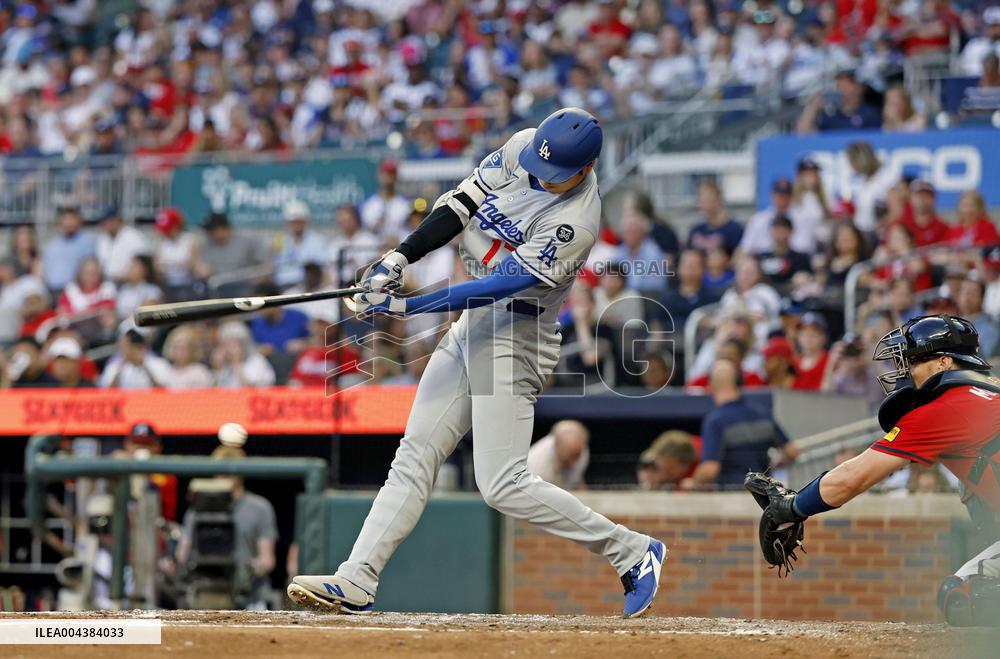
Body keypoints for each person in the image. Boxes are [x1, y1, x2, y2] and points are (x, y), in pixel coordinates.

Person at [288, 108, 665, 619]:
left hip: (516, 335)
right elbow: (460, 205)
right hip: (474, 326)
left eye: (553, 174)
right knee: (414, 454)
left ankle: (633, 551)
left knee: (502, 482)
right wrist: (399, 258)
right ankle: (358, 577)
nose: (540, 177)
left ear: (586, 168)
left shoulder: (575, 223)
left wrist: (405, 307)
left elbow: (497, 285)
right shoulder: (525, 147)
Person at [746, 315, 1000, 627]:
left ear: (944, 362)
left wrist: (792, 507)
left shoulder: (945, 407)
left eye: (912, 362)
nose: (906, 371)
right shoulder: (989, 392)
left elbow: (853, 478)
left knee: (962, 596)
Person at [177, 445, 278, 611]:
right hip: (205, 593)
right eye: (219, 472)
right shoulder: (197, 510)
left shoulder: (260, 508)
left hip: (248, 596)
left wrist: (248, 570)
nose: (222, 477)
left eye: (228, 472)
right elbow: (182, 556)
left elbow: (267, 560)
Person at [692, 359, 798, 489]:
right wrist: (773, 467)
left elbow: (710, 468)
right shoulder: (762, 414)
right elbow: (792, 451)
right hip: (763, 493)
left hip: (732, 494)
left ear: (711, 385)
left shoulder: (716, 421)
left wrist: (692, 484)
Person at [199, 213, 267, 297]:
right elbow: (203, 268)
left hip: (247, 288)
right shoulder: (208, 245)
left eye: (212, 231)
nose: (209, 234)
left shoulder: (247, 240)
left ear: (225, 229)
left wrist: (261, 276)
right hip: (219, 289)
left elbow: (266, 263)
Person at [796, 70, 881, 133]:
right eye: (838, 84)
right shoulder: (830, 115)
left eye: (845, 85)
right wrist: (812, 107)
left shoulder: (870, 114)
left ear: (858, 88)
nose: (840, 88)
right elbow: (804, 134)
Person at [41, 204, 98, 293]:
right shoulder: (52, 245)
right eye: (65, 219)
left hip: (77, 291)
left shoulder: (89, 241)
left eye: (71, 219)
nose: (68, 223)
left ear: (78, 220)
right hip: (52, 290)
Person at [273, 200, 328, 289]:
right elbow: (276, 265)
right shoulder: (282, 239)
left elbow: (318, 270)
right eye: (292, 222)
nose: (295, 225)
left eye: (298, 222)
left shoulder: (317, 241)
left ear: (305, 222)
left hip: (304, 285)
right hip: (280, 284)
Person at [248, 282, 310, 356]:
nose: (259, 309)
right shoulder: (257, 324)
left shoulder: (299, 317)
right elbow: (255, 348)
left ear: (275, 301)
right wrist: (260, 350)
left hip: (301, 359)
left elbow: (317, 340)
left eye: (262, 305)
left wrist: (304, 344)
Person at [154, 207, 203, 301]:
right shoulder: (162, 243)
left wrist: (170, 264)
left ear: (176, 226)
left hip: (188, 285)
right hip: (168, 285)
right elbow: (158, 268)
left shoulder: (190, 240)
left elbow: (194, 265)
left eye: (169, 229)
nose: (166, 233)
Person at [99, 326, 171, 389]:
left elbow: (163, 391)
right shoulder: (114, 366)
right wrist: (121, 367)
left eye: (132, 345)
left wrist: (144, 366)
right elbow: (108, 393)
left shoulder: (159, 364)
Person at [526, 420, 591, 490]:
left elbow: (576, 480)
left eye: (576, 456)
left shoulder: (580, 449)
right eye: (567, 459)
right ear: (556, 446)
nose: (573, 463)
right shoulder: (535, 466)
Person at [211, 321, 276, 388]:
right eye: (224, 345)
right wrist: (217, 368)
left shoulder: (256, 360)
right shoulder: (226, 365)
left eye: (230, 344)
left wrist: (236, 364)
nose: (227, 349)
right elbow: (215, 389)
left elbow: (250, 388)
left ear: (242, 344)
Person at [612, 214, 667, 294]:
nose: (630, 236)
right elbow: (613, 278)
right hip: (623, 295)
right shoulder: (620, 251)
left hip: (647, 296)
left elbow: (655, 285)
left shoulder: (653, 253)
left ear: (643, 233)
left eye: (634, 232)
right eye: (627, 232)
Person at [359, 160, 412, 242]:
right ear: (379, 175)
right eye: (386, 173)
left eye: (392, 174)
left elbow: (411, 229)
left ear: (396, 176)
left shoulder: (406, 203)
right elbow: (363, 231)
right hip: (374, 246)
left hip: (399, 244)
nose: (389, 178)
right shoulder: (368, 203)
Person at [95, 206, 150, 284]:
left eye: (108, 221)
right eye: (103, 222)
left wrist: (124, 277)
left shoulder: (134, 237)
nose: (105, 225)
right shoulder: (102, 239)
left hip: (130, 285)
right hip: (107, 284)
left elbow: (144, 266)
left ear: (117, 220)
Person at [686, 180, 743, 254]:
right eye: (702, 200)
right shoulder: (696, 230)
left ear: (719, 200)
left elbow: (740, 256)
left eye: (709, 200)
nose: (706, 205)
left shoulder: (734, 229)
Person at [758, 215, 812, 292]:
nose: (779, 234)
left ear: (791, 232)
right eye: (776, 229)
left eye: (782, 229)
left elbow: (806, 281)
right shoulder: (761, 258)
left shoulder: (800, 259)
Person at [956, 278, 998, 357]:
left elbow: (986, 357)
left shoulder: (991, 326)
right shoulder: (951, 322)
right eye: (964, 292)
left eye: (973, 293)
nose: (967, 298)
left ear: (982, 299)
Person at [792, 312, 831, 391]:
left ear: (823, 337)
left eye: (814, 332)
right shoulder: (792, 363)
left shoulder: (831, 360)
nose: (808, 336)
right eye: (803, 332)